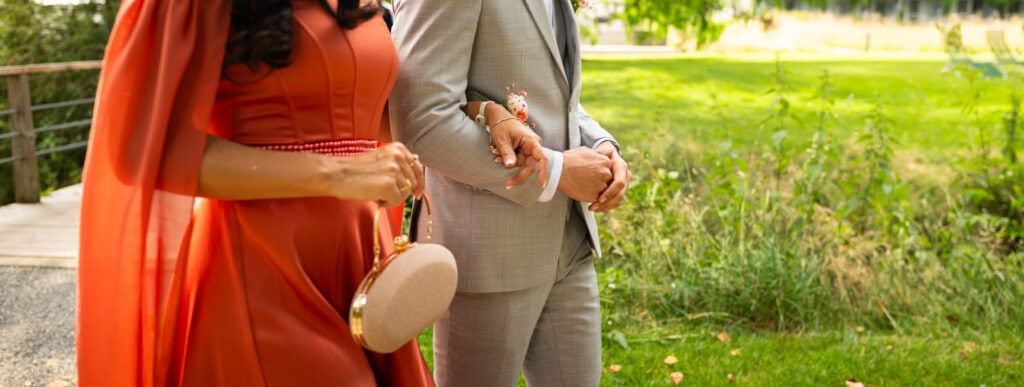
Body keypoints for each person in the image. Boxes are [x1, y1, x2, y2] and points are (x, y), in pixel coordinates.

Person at [77, 1, 434, 385]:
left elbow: (364, 106)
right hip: (264, 263)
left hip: (360, 252)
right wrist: (336, 172)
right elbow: (139, 147)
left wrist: (483, 113)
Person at [389, 0, 632, 385]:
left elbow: (551, 90)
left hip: (568, 244)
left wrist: (601, 144)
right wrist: (555, 173)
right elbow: (422, 121)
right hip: (489, 250)